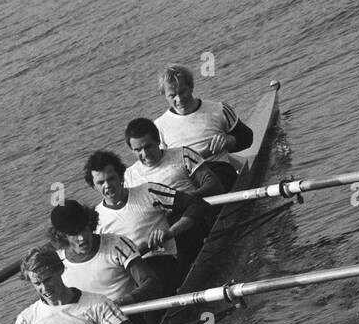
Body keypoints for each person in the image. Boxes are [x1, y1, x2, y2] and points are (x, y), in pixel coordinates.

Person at [83, 148, 211, 290]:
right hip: (129, 277)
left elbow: (197, 205)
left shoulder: (148, 191)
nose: (107, 186)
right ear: (93, 186)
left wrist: (170, 232)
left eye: (111, 178)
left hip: (163, 264)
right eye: (101, 182)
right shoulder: (95, 219)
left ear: (120, 176)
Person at [12, 246, 146, 324]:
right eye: (37, 283)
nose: (45, 288)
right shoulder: (26, 319)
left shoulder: (97, 303)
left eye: (47, 280)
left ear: (60, 270)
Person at [153, 64, 253, 191]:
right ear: (165, 95)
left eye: (182, 91)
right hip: (186, 179)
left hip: (218, 170)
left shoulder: (219, 109)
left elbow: (247, 138)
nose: (179, 99)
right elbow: (160, 167)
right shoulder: (158, 127)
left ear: (191, 87)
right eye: (172, 95)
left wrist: (229, 140)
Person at [47, 200, 163, 305]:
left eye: (83, 229)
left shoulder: (117, 244)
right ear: (62, 236)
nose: (81, 238)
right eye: (74, 234)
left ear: (90, 223)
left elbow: (151, 283)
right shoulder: (56, 262)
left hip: (127, 317)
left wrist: (120, 303)